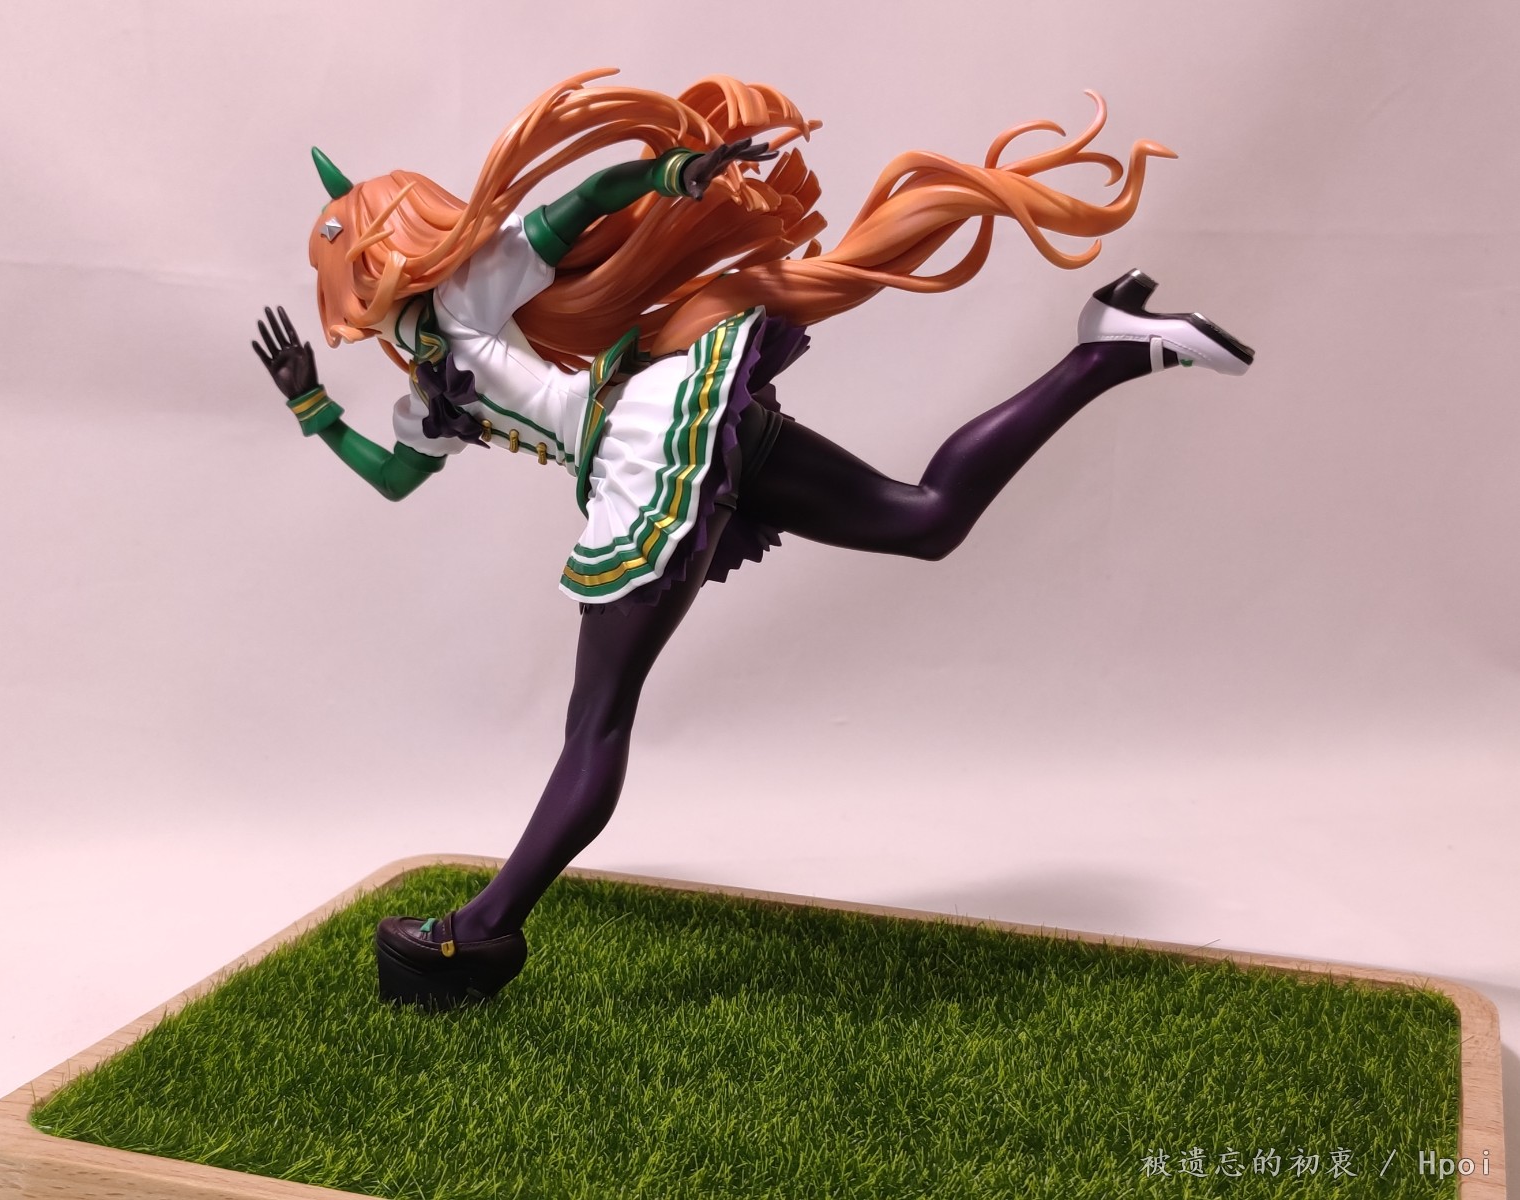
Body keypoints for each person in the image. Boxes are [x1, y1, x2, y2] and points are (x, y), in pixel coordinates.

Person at [251, 70, 1253, 1010]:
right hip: (672, 433)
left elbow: (578, 205)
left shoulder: (468, 289)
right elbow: (396, 476)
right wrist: (310, 407)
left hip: (646, 449)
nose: (354, 288)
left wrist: (668, 176)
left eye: (348, 263)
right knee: (924, 518)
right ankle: (1104, 351)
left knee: (596, 724)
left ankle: (476, 935)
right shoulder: (426, 381)